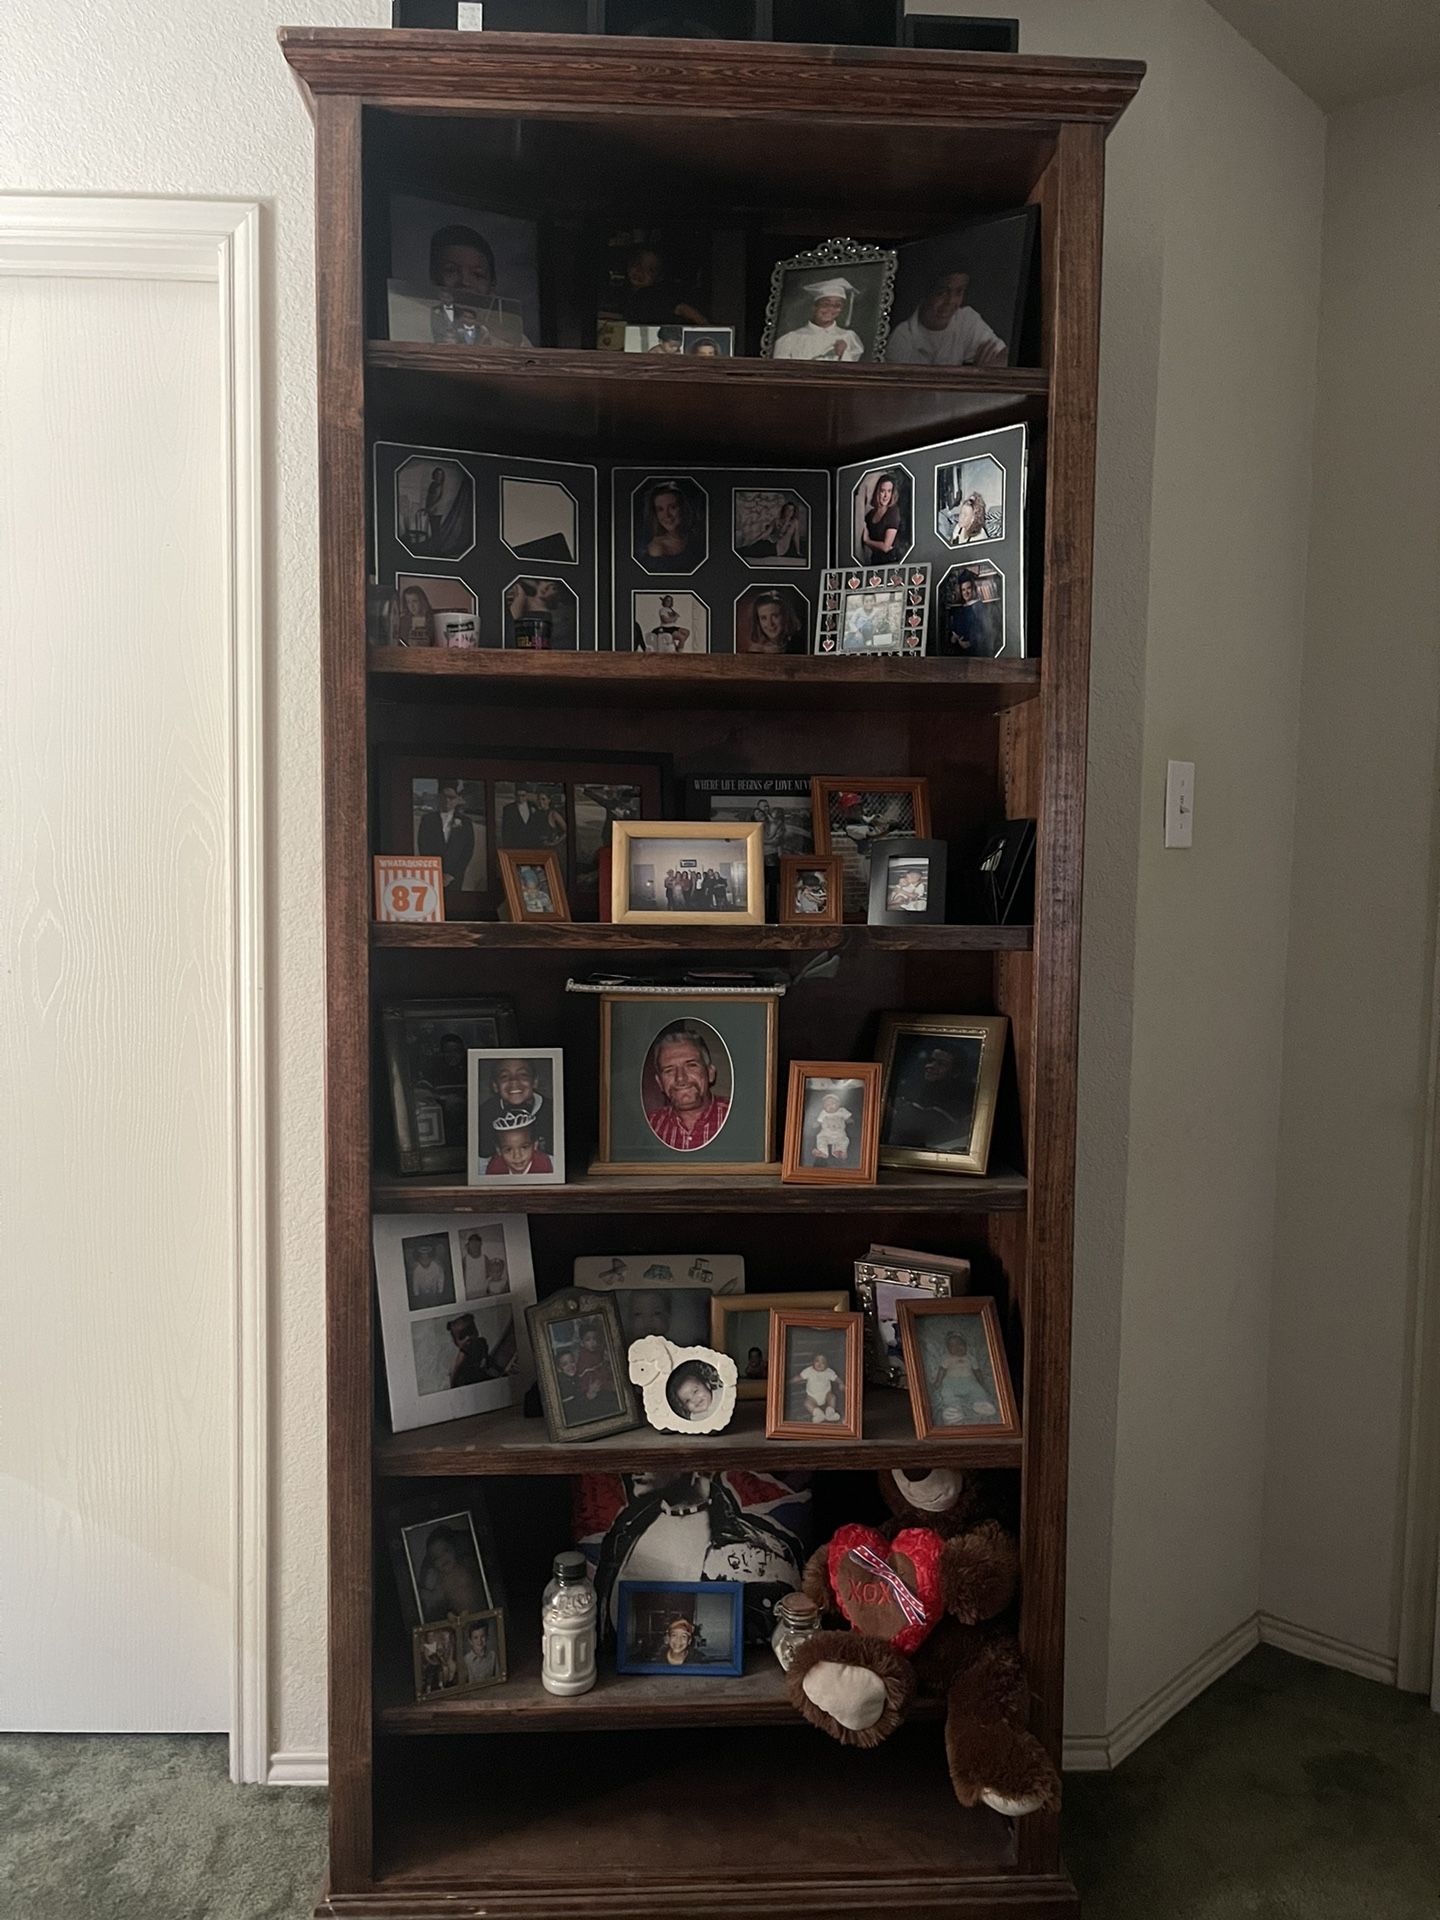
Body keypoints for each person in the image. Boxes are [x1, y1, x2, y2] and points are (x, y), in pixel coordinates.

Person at [427, 221, 532, 346]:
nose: (465, 282)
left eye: (477, 275)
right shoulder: (409, 330)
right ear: (433, 279)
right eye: (451, 270)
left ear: (492, 287)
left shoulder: (514, 343)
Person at [886, 269, 1007, 368]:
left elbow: (1003, 356)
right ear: (927, 293)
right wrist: (975, 375)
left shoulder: (967, 319)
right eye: (942, 293)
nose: (951, 301)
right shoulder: (901, 338)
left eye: (959, 292)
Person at [646, 1023, 730, 1151]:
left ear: (710, 1073)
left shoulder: (740, 1118)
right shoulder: (648, 1127)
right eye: (669, 1070)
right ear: (659, 1083)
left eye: (691, 1065)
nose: (680, 1078)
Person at [887, 1042, 977, 1151]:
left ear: (956, 1072)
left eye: (941, 1064)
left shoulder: (959, 1104)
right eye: (930, 1061)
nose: (930, 1066)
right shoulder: (908, 1093)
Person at [613, 243, 708, 328]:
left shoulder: (657, 295)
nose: (640, 271)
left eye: (650, 270)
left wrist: (707, 328)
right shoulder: (621, 293)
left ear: (659, 277)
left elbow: (682, 308)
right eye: (637, 264)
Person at [773, 276, 865, 362]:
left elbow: (851, 373)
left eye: (837, 305)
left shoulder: (848, 337)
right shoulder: (791, 339)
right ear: (814, 307)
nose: (831, 309)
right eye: (825, 304)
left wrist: (843, 354)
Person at [476, 1056, 551, 1157]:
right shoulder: (484, 1115)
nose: (514, 1081)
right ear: (495, 1086)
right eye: (504, 1076)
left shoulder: (553, 1112)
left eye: (523, 1075)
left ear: (535, 1082)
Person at [416, 781, 477, 900]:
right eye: (444, 797)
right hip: (432, 875)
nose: (447, 801)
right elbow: (423, 846)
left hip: (454, 877)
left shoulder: (465, 822)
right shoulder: (427, 820)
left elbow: (467, 850)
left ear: (457, 799)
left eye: (451, 797)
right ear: (439, 797)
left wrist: (452, 875)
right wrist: (436, 872)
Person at [416, 1524, 488, 1618]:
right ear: (433, 1564)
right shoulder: (440, 1580)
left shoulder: (465, 1566)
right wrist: (428, 1595)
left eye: (445, 1551)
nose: (442, 1558)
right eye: (436, 1557)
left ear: (454, 1550)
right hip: (461, 1618)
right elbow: (436, 1599)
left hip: (480, 1609)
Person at [932, 1333, 998, 1424]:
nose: (957, 1347)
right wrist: (938, 1381)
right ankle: (953, 1409)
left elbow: (977, 1371)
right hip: (951, 1382)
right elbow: (942, 1370)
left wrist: (981, 1382)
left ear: (965, 1345)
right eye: (952, 1345)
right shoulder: (947, 1358)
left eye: (960, 1343)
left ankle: (980, 1404)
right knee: (947, 1392)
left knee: (978, 1390)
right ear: (948, 1349)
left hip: (969, 1381)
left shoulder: (970, 1358)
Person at [637, 482, 705, 570]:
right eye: (660, 509)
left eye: (672, 507)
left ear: (683, 508)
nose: (667, 515)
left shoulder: (695, 537)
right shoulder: (657, 548)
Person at [484, 1112, 554, 1178]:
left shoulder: (543, 1166)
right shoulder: (495, 1168)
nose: (517, 1156)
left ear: (535, 1145)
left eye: (524, 1147)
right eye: (508, 1150)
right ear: (499, 1150)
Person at [500, 782, 564, 851]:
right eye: (518, 795)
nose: (520, 798)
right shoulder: (508, 809)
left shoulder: (534, 807)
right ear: (515, 795)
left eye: (523, 795)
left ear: (527, 795)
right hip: (515, 847)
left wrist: (555, 842)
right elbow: (505, 832)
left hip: (532, 847)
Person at [448, 1315, 506, 1389]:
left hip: (478, 1371)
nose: (468, 1338)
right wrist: (453, 1388)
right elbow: (454, 1372)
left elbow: (485, 1353)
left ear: (476, 1331)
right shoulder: (463, 1356)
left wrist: (486, 1360)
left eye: (471, 1332)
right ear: (456, 1343)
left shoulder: (481, 1342)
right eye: (462, 1337)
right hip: (466, 1380)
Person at [739, 499, 805, 564]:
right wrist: (754, 540)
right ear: (784, 510)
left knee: (753, 552)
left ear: (793, 512)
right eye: (788, 509)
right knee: (750, 548)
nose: (789, 512)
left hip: (778, 548)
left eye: (792, 510)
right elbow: (766, 533)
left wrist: (798, 551)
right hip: (769, 542)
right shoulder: (776, 520)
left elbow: (796, 537)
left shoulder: (794, 522)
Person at [739, 589, 802, 655]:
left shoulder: (798, 646)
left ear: (786, 616)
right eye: (763, 618)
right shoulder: (754, 653)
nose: (770, 623)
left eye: (775, 616)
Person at [860, 473, 905, 559]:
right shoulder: (870, 515)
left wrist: (867, 541)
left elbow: (886, 547)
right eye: (882, 491)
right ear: (877, 492)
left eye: (889, 491)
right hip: (875, 561)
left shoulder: (893, 512)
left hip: (891, 562)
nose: (886, 496)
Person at [665, 1358, 722, 1423]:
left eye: (695, 1391)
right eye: (687, 1400)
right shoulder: (693, 1419)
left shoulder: (721, 1395)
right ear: (685, 1407)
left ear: (707, 1385)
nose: (694, 1400)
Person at [795, 1350, 843, 1424]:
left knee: (832, 1397)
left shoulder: (829, 1371)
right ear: (813, 1362)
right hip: (812, 1397)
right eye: (817, 1361)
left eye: (823, 1362)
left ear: (827, 1365)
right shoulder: (809, 1371)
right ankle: (818, 1414)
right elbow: (799, 1377)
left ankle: (830, 1413)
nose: (820, 1364)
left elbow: (836, 1378)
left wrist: (841, 1383)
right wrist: (789, 1381)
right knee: (807, 1403)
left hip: (826, 1394)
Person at [461, 1230, 508, 1298]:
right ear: (468, 1245)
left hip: (483, 1292)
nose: (475, 1246)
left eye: (477, 1243)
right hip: (469, 1293)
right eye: (472, 1243)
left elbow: (491, 1272)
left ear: (480, 1244)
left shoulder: (485, 1258)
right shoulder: (465, 1259)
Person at [810, 1092, 854, 1164]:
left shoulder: (842, 1110)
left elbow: (847, 1117)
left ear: (839, 1104)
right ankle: (822, 1152)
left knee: (844, 1140)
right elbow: (819, 1121)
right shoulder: (823, 1113)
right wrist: (816, 1124)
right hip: (826, 1134)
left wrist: (849, 1120)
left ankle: (840, 1152)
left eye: (833, 1103)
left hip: (839, 1134)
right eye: (827, 1104)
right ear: (824, 1107)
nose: (830, 1106)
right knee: (820, 1139)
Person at [407, 1238, 452, 1306]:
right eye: (422, 1258)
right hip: (422, 1293)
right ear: (418, 1259)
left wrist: (440, 1290)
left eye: (427, 1258)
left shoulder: (437, 1267)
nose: (425, 1261)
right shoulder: (417, 1270)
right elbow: (415, 1282)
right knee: (423, 1304)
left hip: (433, 1292)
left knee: (434, 1303)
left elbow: (441, 1279)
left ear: (431, 1258)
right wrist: (416, 1293)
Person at [398, 582, 435, 648]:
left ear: (422, 601)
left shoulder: (433, 619)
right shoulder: (403, 621)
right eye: (408, 602)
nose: (412, 606)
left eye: (414, 601)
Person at [462, 1619, 498, 1686]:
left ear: (487, 1637)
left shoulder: (493, 1655)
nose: (480, 1641)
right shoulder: (466, 1660)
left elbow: (497, 1676)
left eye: (482, 1636)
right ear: (470, 1641)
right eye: (476, 1638)